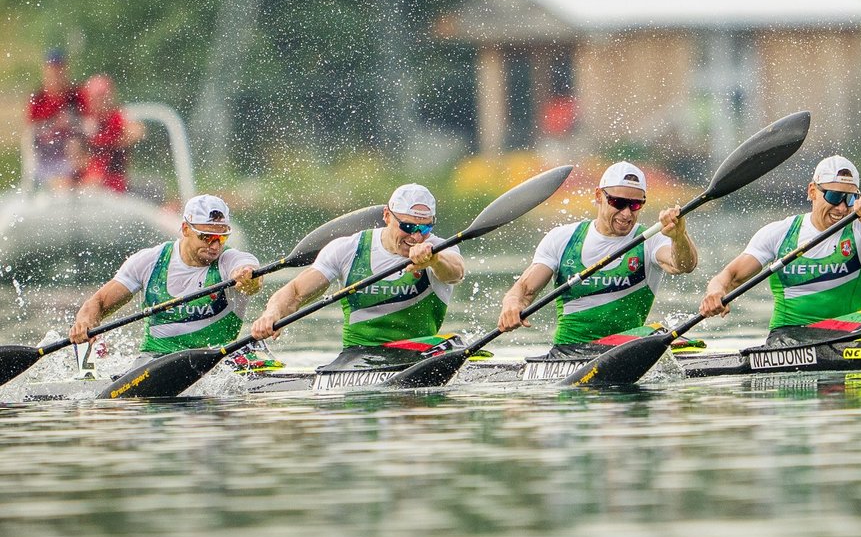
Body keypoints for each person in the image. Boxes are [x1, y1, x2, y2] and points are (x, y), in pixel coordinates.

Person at [699, 155, 861, 345]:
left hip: (851, 335)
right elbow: (730, 276)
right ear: (812, 191)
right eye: (834, 197)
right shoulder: (781, 233)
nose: (842, 208)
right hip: (788, 338)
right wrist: (715, 292)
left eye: (850, 199)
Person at [497, 161, 699, 357]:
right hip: (567, 353)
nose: (626, 213)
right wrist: (512, 303)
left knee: (657, 330)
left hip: (626, 351)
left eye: (635, 204)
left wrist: (679, 236)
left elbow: (683, 265)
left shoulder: (651, 239)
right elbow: (525, 291)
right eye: (618, 203)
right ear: (598, 196)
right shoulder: (562, 238)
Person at [250, 184, 466, 362]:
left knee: (455, 342)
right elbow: (296, 292)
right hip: (358, 356)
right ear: (387, 216)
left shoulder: (439, 249)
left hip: (420, 353)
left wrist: (434, 260)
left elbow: (455, 273)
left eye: (425, 229)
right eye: (408, 228)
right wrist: (272, 314)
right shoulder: (349, 248)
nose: (417, 238)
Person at [68, 195, 272, 371]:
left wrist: (246, 277)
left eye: (222, 237)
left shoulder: (230, 260)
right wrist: (85, 324)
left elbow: (251, 279)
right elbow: (99, 303)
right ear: (185, 229)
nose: (215, 245)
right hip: (156, 360)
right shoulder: (150, 261)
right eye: (207, 237)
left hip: (218, 359)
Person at [27, 48, 87, 190]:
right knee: (62, 184)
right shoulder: (38, 99)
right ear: (45, 71)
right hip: (48, 159)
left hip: (76, 157)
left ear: (66, 70)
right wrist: (56, 125)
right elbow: (32, 133)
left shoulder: (76, 96)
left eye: (60, 69)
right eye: (52, 69)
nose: (56, 74)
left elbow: (88, 124)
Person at [79, 74, 144, 193]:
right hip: (86, 183)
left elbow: (137, 131)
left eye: (102, 97)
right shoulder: (84, 120)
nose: (99, 101)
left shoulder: (116, 117)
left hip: (114, 185)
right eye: (95, 97)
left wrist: (115, 140)